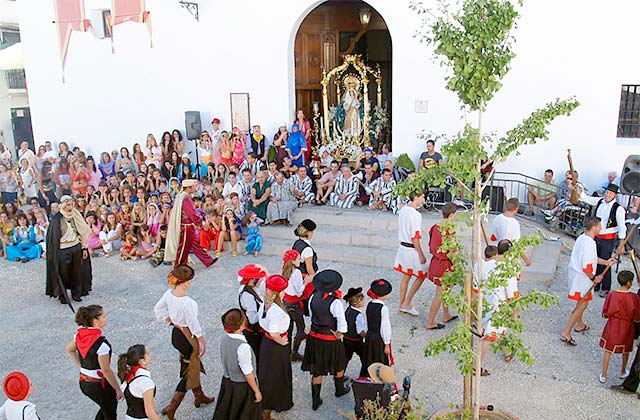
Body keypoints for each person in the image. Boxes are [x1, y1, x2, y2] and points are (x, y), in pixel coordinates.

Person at [153, 266, 214, 419]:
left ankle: (199, 396)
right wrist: (201, 339)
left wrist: (169, 320)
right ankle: (173, 406)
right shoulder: (188, 303)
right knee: (191, 370)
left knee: (190, 365)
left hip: (176, 334)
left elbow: (158, 309)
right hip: (187, 337)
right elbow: (193, 323)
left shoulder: (169, 294)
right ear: (185, 282)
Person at [301, 269, 350, 411]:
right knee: (339, 363)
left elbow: (311, 315)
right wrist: (339, 333)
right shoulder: (336, 303)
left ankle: (316, 401)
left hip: (314, 337)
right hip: (329, 338)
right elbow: (342, 324)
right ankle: (339, 390)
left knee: (317, 370)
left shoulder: (313, 297)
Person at [561, 217, 614, 346]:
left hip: (577, 275)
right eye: (600, 226)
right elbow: (587, 266)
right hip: (583, 278)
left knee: (581, 302)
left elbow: (592, 258)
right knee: (582, 305)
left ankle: (580, 325)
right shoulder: (590, 243)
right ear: (594, 227)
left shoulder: (582, 238)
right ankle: (566, 332)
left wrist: (605, 262)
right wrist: (594, 278)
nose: (601, 229)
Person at [65, 305, 123, 420]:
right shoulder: (102, 344)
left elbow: (69, 349)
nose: (106, 318)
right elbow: (106, 370)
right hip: (99, 385)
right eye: (103, 316)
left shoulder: (79, 336)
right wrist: (117, 389)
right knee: (110, 412)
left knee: (105, 408)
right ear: (96, 322)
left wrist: (82, 366)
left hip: (84, 381)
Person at [212, 309, 263, 420]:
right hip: (242, 387)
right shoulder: (243, 347)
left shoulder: (224, 338)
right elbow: (248, 373)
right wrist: (256, 391)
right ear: (242, 324)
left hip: (227, 382)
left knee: (229, 411)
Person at [578, 183, 627, 297]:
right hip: (597, 236)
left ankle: (606, 287)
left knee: (605, 262)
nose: (608, 195)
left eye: (611, 193)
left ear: (614, 195)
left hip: (608, 239)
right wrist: (578, 189)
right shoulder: (600, 201)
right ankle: (596, 283)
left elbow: (622, 227)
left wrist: (621, 244)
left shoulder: (618, 209)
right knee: (595, 259)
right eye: (607, 192)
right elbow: (586, 199)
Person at [46, 195, 92, 305]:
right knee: (63, 273)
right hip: (63, 249)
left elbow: (82, 233)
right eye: (67, 204)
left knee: (76, 272)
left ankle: (76, 293)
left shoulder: (76, 215)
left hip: (75, 246)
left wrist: (84, 247)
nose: (69, 206)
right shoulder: (56, 219)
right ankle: (63, 295)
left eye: (71, 203)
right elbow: (52, 238)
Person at [258, 274, 293, 419]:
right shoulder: (276, 310)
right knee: (276, 375)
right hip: (275, 345)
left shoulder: (266, 303)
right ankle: (270, 406)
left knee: (268, 373)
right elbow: (274, 332)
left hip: (266, 343)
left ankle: (271, 403)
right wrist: (282, 342)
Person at [598, 270, 640, 383]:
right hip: (627, 327)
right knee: (625, 351)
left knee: (608, 351)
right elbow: (637, 317)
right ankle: (622, 371)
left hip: (613, 325)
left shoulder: (612, 294)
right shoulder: (634, 297)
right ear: (629, 283)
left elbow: (605, 313)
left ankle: (604, 374)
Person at [164, 179, 216, 267]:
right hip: (185, 227)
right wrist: (200, 222)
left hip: (187, 226)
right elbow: (191, 213)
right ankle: (179, 265)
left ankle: (208, 260)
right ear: (188, 188)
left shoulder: (181, 196)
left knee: (194, 244)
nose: (195, 188)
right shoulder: (185, 199)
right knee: (183, 247)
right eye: (193, 187)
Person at [394, 192, 427, 316]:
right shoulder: (416, 214)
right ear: (417, 197)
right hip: (411, 249)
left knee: (406, 276)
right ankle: (406, 303)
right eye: (422, 196)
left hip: (402, 247)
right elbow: (415, 236)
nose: (423, 198)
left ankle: (402, 304)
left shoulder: (403, 210)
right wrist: (421, 254)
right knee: (422, 275)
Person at [426, 203, 459, 330]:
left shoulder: (435, 227)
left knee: (446, 290)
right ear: (451, 215)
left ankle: (446, 314)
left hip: (436, 261)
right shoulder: (449, 229)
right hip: (444, 263)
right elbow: (451, 251)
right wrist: (456, 263)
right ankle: (430, 321)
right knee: (440, 293)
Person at [475, 245, 505, 376]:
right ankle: (477, 365)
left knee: (499, 329)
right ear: (496, 255)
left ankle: (508, 352)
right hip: (494, 302)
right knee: (489, 334)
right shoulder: (497, 267)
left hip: (482, 301)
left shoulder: (479, 264)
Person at [117, 344, 160, 420]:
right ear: (142, 360)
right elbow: (150, 412)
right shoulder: (146, 382)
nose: (149, 354)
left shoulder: (129, 375)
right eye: (147, 353)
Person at [282, 249, 310, 362]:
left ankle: (286, 352)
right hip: (294, 303)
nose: (300, 261)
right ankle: (295, 353)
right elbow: (299, 291)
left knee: (288, 328)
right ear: (293, 261)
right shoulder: (296, 272)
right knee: (301, 328)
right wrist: (306, 281)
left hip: (286, 302)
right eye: (298, 259)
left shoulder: (285, 269)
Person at [361, 279, 393, 377]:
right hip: (379, 339)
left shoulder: (370, 304)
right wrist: (387, 343)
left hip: (370, 336)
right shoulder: (383, 308)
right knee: (380, 359)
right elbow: (385, 327)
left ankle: (367, 376)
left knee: (369, 358)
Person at [238, 264, 267, 364]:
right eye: (258, 279)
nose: (261, 280)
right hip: (254, 332)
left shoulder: (250, 288)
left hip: (256, 330)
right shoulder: (247, 296)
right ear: (251, 280)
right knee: (258, 357)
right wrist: (266, 312)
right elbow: (253, 319)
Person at [343, 287, 366, 374]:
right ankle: (363, 376)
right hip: (356, 341)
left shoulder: (348, 310)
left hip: (346, 339)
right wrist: (367, 336)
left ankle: (340, 376)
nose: (364, 302)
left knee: (345, 358)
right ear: (357, 302)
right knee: (365, 357)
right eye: (362, 300)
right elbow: (359, 331)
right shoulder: (358, 315)